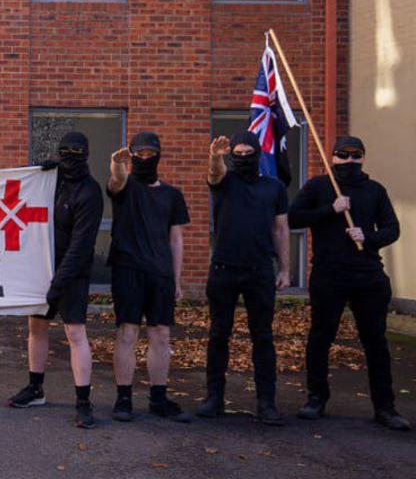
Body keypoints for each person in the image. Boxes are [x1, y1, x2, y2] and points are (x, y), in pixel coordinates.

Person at [290, 136, 410, 431]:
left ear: (363, 158)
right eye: (343, 156)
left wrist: (367, 238)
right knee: (321, 337)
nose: (349, 161)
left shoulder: (374, 190)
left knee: (376, 342)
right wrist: (330, 209)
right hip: (329, 275)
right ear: (333, 158)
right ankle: (316, 398)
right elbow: (294, 218)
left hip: (368, 276)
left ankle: (385, 407)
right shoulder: (319, 187)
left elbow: (392, 228)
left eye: (355, 156)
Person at [7, 132, 103, 428]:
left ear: (86, 154)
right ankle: (35, 388)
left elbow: (81, 245)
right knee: (36, 328)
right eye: (64, 152)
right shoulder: (51, 182)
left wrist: (58, 283)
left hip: (71, 274)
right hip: (42, 268)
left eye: (75, 151)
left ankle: (83, 402)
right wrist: (39, 169)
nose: (69, 157)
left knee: (76, 334)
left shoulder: (90, 192)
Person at [196, 131, 290, 425]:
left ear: (258, 153)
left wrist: (286, 268)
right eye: (238, 153)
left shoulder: (274, 188)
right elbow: (214, 173)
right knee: (218, 335)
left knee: (263, 337)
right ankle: (214, 398)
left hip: (260, 271)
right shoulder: (225, 182)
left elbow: (281, 230)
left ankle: (266, 403)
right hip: (224, 269)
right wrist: (215, 156)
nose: (244, 157)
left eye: (248, 152)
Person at [107, 131, 191, 423]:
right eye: (138, 154)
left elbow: (176, 240)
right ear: (131, 156)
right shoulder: (126, 187)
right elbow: (116, 181)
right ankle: (124, 398)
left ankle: (158, 397)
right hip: (127, 269)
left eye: (148, 154)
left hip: (161, 274)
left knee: (161, 334)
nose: (144, 159)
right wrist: (117, 165)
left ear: (158, 155)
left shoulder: (172, 195)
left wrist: (177, 280)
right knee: (127, 332)